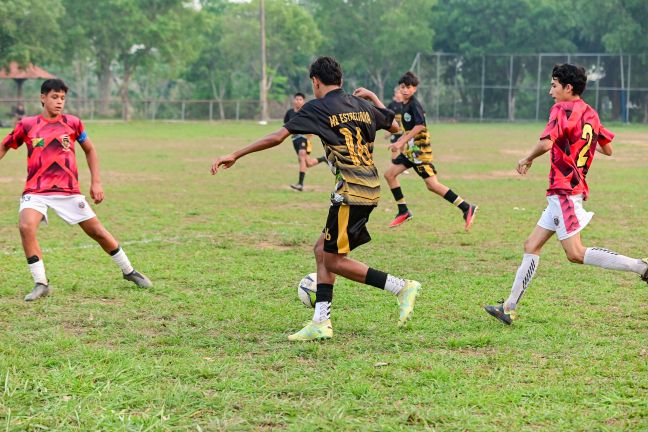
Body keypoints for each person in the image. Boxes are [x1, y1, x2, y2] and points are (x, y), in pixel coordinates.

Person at [211, 56, 421, 341]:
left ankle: (400, 287)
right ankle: (321, 322)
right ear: (342, 81)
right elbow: (395, 127)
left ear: (315, 82)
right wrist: (372, 98)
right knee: (321, 250)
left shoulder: (318, 107)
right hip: (367, 187)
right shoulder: (361, 106)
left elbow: (277, 137)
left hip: (352, 191)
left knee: (333, 260)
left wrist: (235, 153)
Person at [484, 64, 648, 325]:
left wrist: (527, 158)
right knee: (532, 245)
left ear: (568, 88)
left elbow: (547, 142)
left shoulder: (561, 109)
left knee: (576, 253)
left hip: (564, 190)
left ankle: (641, 266)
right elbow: (608, 149)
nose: (550, 92)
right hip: (565, 191)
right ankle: (509, 307)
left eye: (554, 85)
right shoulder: (590, 113)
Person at [0, 79, 152, 301]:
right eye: (54, 97)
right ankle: (41, 283)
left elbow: (90, 150)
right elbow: (5, 145)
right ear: (42, 98)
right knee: (25, 226)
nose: (59, 102)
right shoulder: (27, 124)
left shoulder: (73, 123)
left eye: (62, 98)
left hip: (68, 191)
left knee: (97, 232)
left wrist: (96, 182)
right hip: (36, 190)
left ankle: (129, 271)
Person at [384, 71, 478, 230]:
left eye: (408, 87)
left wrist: (400, 142)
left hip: (420, 151)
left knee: (432, 185)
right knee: (389, 174)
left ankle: (466, 207)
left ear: (415, 89)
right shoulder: (403, 104)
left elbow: (420, 125)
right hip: (412, 150)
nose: (405, 90)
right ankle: (403, 211)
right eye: (402, 87)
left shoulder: (414, 104)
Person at [283, 92, 326, 191]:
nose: (298, 101)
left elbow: (315, 123)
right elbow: (285, 126)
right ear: (294, 101)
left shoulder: (306, 112)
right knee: (308, 163)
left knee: (302, 155)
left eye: (300, 99)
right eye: (296, 99)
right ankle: (323, 159)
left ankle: (300, 184)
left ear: (303, 101)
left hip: (304, 138)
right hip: (294, 140)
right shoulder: (289, 113)